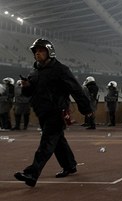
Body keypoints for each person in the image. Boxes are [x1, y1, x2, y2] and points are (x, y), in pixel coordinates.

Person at [14, 38, 92, 187]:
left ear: (50, 52)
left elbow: (75, 89)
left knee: (47, 143)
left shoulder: (61, 70)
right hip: (42, 112)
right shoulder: (34, 71)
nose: (37, 54)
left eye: (41, 51)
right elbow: (29, 92)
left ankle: (32, 172)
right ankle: (70, 165)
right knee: (58, 141)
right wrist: (26, 85)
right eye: (35, 51)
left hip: (57, 112)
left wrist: (86, 108)